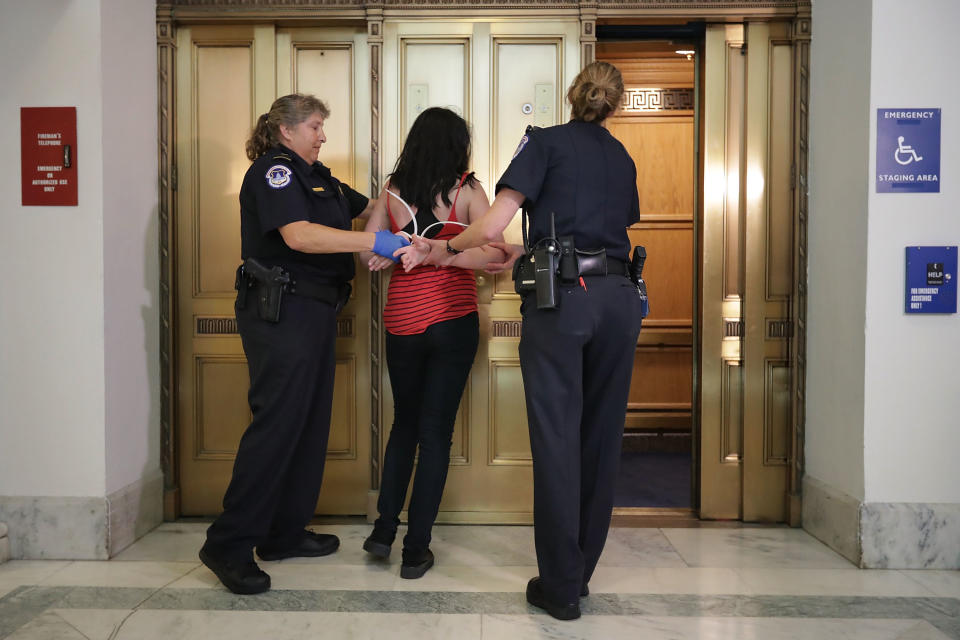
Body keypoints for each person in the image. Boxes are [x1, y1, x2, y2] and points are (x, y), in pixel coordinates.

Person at [400, 62, 643, 620]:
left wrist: (439, 249)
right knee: (600, 440)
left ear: (571, 95)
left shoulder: (545, 143)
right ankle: (578, 575)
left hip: (562, 305)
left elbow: (490, 227)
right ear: (614, 104)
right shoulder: (621, 156)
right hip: (618, 298)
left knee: (557, 439)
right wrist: (530, 253)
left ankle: (558, 588)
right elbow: (609, 226)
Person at [199, 93, 408, 595]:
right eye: (315, 126)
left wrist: (392, 212)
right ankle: (227, 544)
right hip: (280, 311)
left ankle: (283, 532)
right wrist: (373, 244)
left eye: (322, 127)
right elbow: (298, 236)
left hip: (314, 312)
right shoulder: (275, 172)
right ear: (286, 130)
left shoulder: (321, 178)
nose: (323, 135)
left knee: (308, 424)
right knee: (277, 425)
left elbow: (374, 206)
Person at [359, 107, 506, 579]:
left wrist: (397, 249)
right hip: (451, 320)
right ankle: (415, 549)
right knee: (435, 433)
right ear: (457, 144)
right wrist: (445, 254)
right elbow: (495, 252)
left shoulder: (393, 191)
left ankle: (383, 531)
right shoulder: (466, 190)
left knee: (405, 424)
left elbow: (364, 248)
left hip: (401, 321)